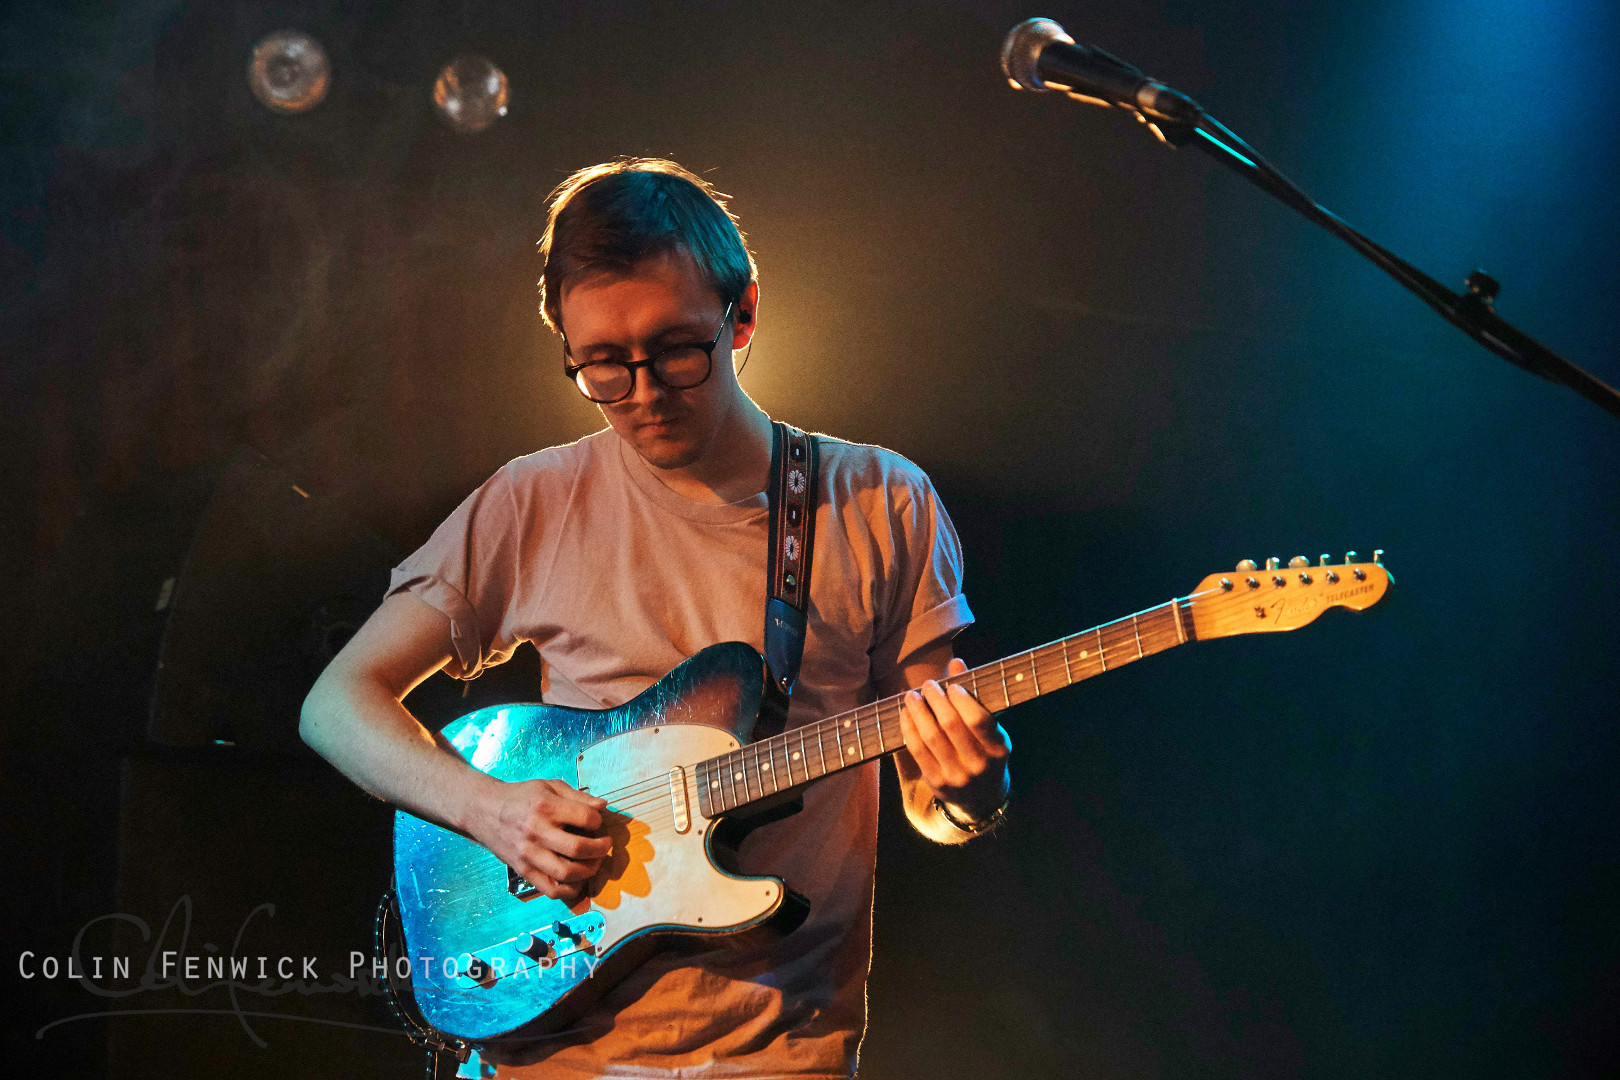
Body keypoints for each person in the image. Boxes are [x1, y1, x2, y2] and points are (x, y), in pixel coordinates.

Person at [300, 157, 1012, 1079]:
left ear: (742, 314)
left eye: (676, 349)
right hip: (550, 1044)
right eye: (602, 363)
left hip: (781, 1051)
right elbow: (336, 703)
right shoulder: (533, 501)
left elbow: (936, 802)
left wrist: (972, 792)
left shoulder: (879, 499)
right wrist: (492, 813)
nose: (641, 392)